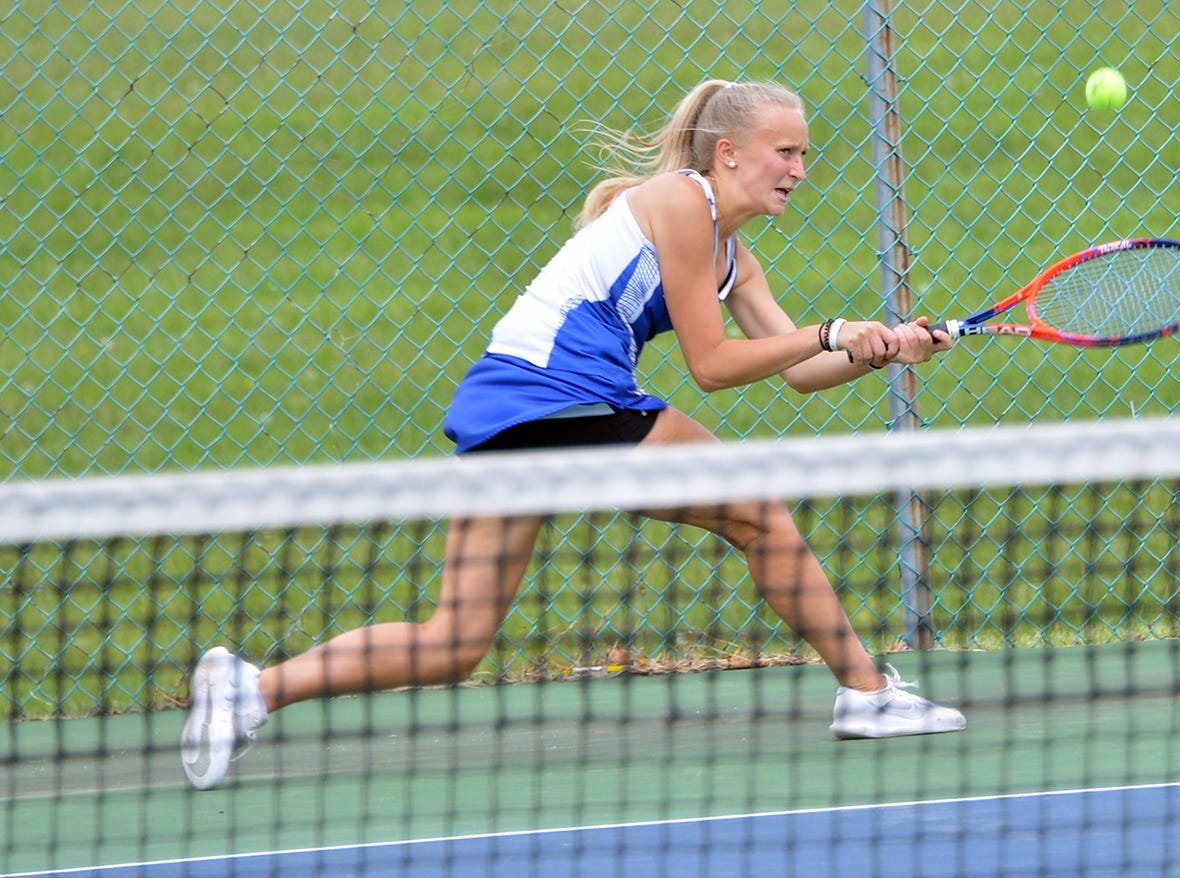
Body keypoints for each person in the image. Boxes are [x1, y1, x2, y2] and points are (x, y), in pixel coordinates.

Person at [181, 79, 965, 791]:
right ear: (728, 154)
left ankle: (250, 691)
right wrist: (827, 331)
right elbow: (714, 366)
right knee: (759, 511)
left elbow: (796, 370)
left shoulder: (732, 254)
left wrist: (883, 350)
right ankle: (865, 693)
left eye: (804, 154)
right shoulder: (682, 203)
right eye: (784, 151)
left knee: (455, 640)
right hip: (561, 400)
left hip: (515, 411)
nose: (798, 168)